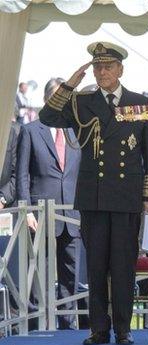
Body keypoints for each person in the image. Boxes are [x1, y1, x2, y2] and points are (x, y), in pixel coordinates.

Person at [38, 41, 148, 345]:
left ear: (120, 69)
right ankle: (99, 329)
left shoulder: (140, 104)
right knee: (96, 266)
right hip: (93, 195)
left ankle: (123, 328)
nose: (102, 71)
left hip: (126, 196)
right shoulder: (82, 101)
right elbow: (47, 117)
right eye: (97, 67)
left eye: (108, 66)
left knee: (122, 266)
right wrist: (69, 84)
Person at [16, 77, 84, 330]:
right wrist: (28, 210)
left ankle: (68, 326)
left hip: (72, 214)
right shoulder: (31, 130)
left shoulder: (78, 131)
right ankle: (38, 325)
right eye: (57, 99)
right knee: (39, 273)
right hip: (41, 215)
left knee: (71, 274)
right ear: (46, 101)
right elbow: (22, 174)